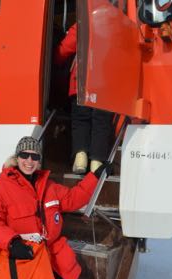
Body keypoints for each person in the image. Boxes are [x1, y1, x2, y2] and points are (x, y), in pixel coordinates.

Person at [0, 136, 111, 279]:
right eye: (24, 155)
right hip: (21, 255)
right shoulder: (0, 188)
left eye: (34, 157)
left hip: (50, 254)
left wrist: (96, 176)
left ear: (39, 160)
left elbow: (74, 198)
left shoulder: (49, 186)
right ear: (17, 158)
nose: (29, 161)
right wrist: (12, 243)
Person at [54, 23, 114, 174]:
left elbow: (64, 49)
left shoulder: (83, 22)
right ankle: (97, 162)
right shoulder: (114, 23)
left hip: (81, 80)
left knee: (81, 120)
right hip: (106, 81)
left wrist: (55, 59)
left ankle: (81, 158)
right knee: (101, 121)